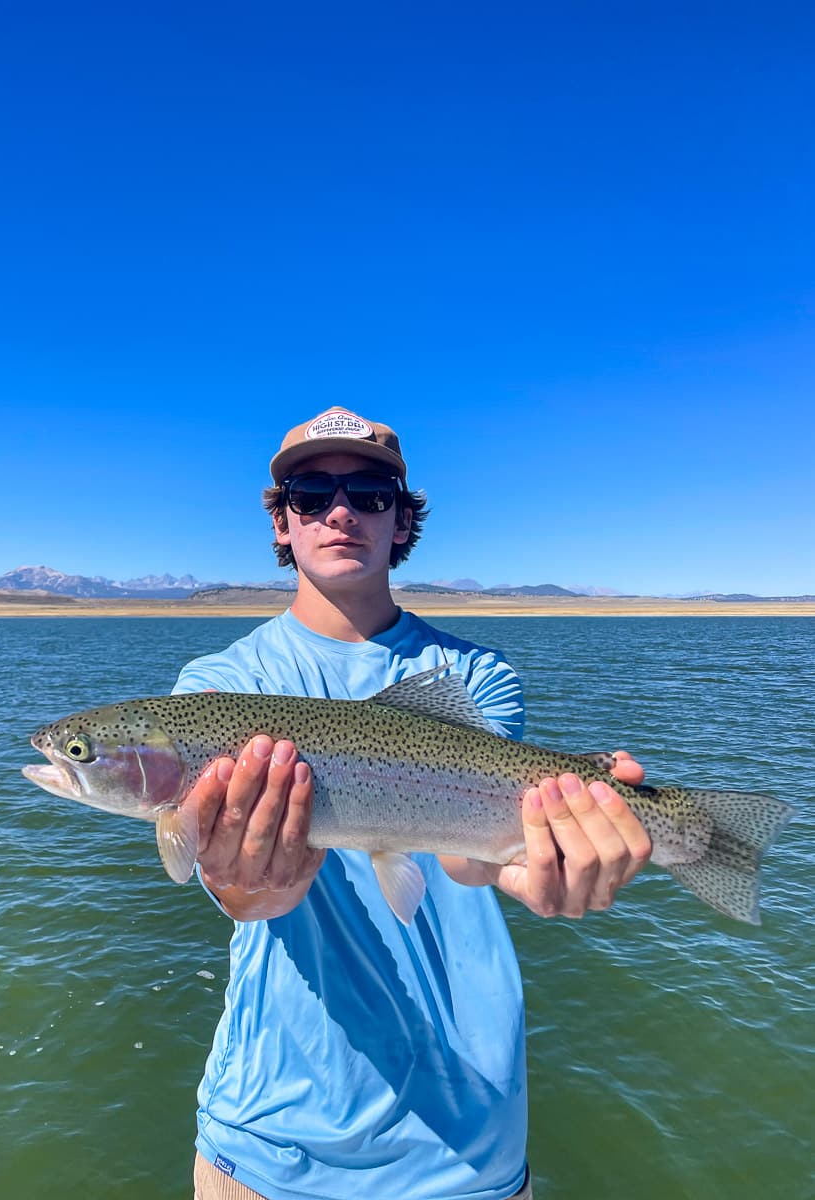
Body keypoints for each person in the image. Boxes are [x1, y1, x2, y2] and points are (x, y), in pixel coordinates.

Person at [173, 407, 652, 1200]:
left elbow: (467, 850)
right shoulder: (213, 690)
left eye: (367, 493)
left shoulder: (475, 675)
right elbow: (244, 896)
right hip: (268, 1144)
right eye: (309, 493)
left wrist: (531, 864)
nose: (338, 511)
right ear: (282, 522)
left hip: (465, 1145)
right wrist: (255, 880)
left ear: (401, 522)